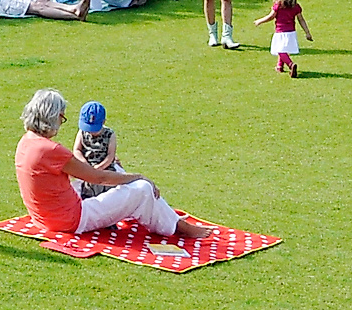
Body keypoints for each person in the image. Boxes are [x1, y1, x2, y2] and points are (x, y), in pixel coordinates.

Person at [15, 89, 215, 239]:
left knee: (117, 171)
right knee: (142, 188)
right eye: (62, 117)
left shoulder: (26, 142)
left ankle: (166, 218)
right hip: (70, 220)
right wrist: (139, 177)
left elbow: (80, 170)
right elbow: (98, 177)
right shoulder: (51, 150)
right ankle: (176, 226)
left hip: (44, 217)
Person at [251, 0, 313, 77]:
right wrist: (307, 32)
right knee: (283, 49)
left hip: (280, 32)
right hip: (291, 33)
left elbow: (271, 16)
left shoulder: (278, 5)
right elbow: (301, 19)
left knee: (280, 50)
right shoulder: (295, 6)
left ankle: (291, 64)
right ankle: (279, 66)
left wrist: (260, 21)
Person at [72, 101, 121, 198]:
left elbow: (110, 155)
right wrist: (85, 164)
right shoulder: (82, 132)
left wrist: (100, 167)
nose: (91, 132)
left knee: (107, 192)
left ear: (103, 122)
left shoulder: (109, 135)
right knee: (87, 190)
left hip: (104, 168)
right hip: (87, 167)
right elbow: (77, 150)